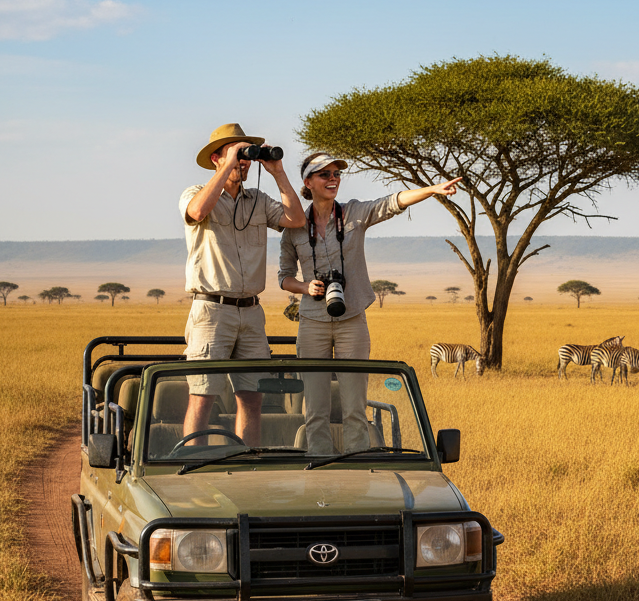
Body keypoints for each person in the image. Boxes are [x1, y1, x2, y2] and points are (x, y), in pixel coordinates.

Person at [279, 152, 459, 454]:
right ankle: (318, 467)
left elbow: (392, 202)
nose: (333, 178)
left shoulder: (354, 212)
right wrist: (305, 287)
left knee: (355, 405)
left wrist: (431, 190)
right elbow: (284, 276)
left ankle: (355, 468)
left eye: (337, 174)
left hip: (352, 320)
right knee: (315, 407)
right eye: (325, 174)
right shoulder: (294, 225)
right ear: (308, 182)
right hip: (311, 320)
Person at [180, 123, 307, 445]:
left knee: (252, 398)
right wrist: (226, 169)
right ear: (215, 159)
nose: (244, 161)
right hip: (212, 309)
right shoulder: (195, 193)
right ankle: (194, 465)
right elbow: (196, 212)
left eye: (247, 154)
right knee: (203, 395)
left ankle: (248, 463)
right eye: (237, 153)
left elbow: (296, 220)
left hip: (251, 311)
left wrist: (277, 172)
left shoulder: (259, 200)